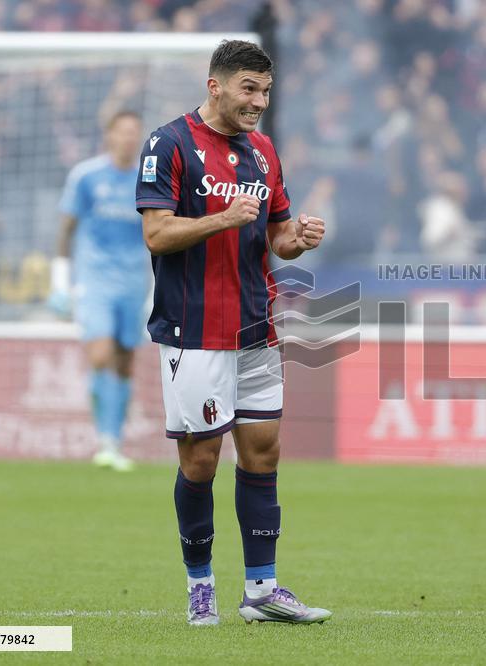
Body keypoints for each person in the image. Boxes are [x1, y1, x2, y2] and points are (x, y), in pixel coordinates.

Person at [135, 40, 331, 626]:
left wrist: (299, 236)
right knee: (200, 460)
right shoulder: (168, 143)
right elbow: (156, 235)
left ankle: (262, 590)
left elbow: (275, 238)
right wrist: (223, 217)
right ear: (216, 84)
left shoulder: (264, 151)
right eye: (250, 89)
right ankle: (200, 587)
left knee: (263, 451)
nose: (260, 102)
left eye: (266, 91)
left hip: (255, 326)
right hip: (193, 328)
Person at [50, 110, 149, 472]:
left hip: (134, 282)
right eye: (122, 132)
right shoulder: (86, 176)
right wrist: (60, 282)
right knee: (99, 354)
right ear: (109, 135)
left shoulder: (148, 179)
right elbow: (66, 229)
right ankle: (103, 438)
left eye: (133, 132)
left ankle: (113, 440)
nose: (127, 138)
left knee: (124, 362)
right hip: (95, 279)